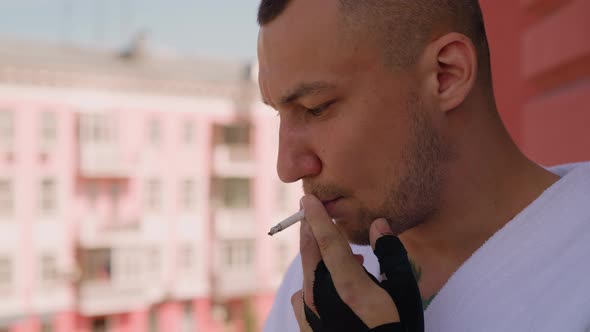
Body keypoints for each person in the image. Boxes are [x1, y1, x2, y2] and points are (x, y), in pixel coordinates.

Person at [256, 0, 590, 331]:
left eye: (316, 107)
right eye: (278, 113)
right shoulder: (317, 286)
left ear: (447, 74)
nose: (287, 168)